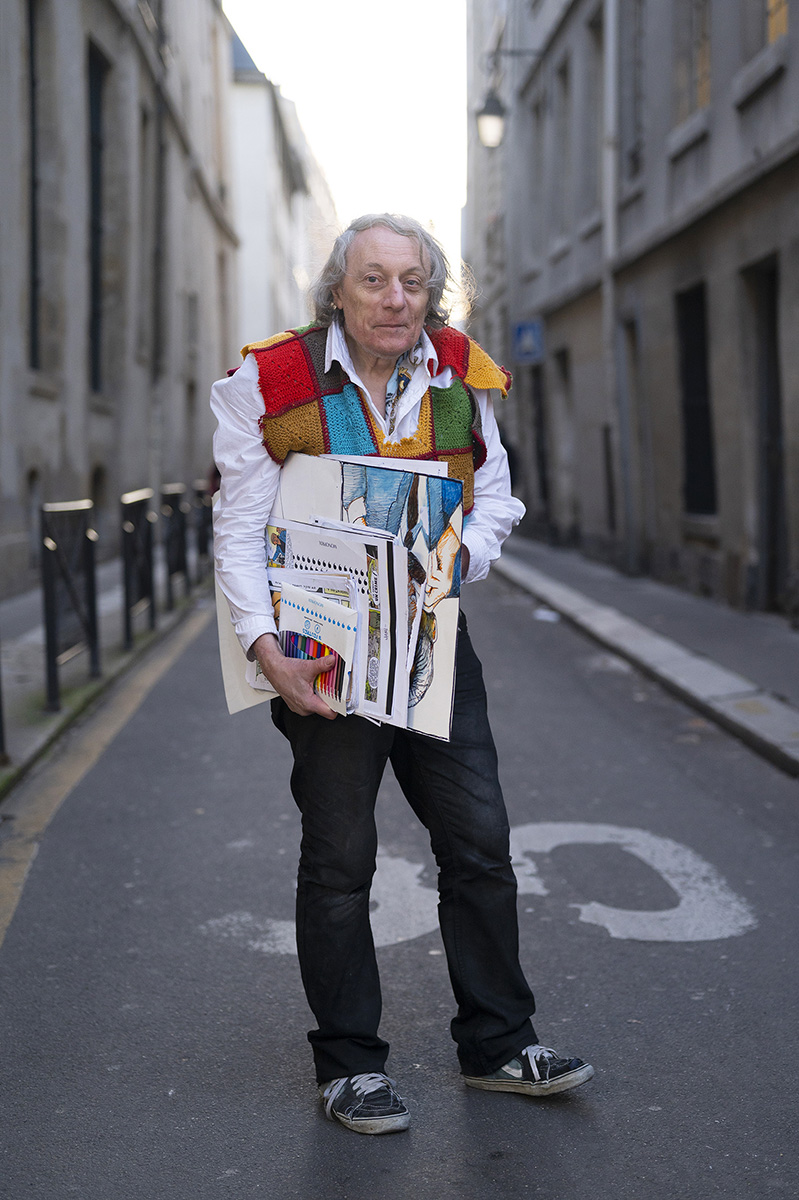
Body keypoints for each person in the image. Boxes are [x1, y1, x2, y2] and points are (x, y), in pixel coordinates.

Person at [211, 214, 593, 1136]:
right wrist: (265, 649)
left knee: (480, 842)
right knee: (340, 860)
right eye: (374, 280)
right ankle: (349, 1067)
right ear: (337, 290)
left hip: (431, 639)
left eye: (411, 282)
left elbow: (495, 495)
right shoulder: (272, 378)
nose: (394, 300)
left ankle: (498, 1045)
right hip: (323, 650)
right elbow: (238, 527)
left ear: (431, 292)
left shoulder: (460, 372)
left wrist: (458, 560)